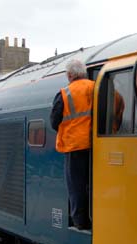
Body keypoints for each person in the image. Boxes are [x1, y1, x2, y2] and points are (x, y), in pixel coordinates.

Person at [50, 59, 94, 230]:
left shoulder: (65, 93)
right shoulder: (97, 87)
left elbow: (54, 121)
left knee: (76, 185)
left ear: (69, 75)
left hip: (75, 146)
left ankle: (80, 221)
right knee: (93, 182)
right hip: (97, 145)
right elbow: (119, 103)